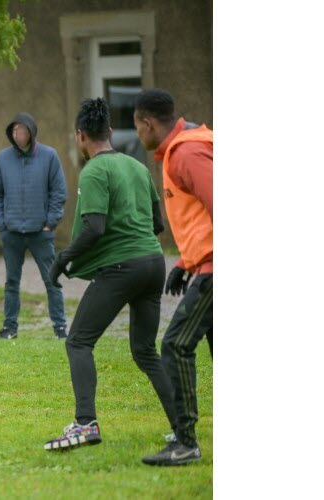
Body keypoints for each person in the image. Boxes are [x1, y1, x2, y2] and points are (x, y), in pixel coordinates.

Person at [43, 98, 177, 451]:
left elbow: (94, 228)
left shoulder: (94, 171)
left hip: (123, 267)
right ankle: (182, 427)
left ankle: (85, 424)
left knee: (78, 342)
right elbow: (158, 223)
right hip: (154, 262)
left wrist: (63, 259)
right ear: (111, 132)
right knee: (146, 351)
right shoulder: (136, 167)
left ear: (80, 136)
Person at [134, 88, 213, 466]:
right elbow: (201, 215)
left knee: (176, 345)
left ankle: (185, 442)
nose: (138, 135)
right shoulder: (188, 145)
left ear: (147, 123)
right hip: (205, 265)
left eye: (137, 126)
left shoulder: (186, 152)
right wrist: (186, 261)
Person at [0, 112, 68, 339]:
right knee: (11, 282)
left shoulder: (49, 156)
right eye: (14, 131)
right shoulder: (2, 159)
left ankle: (60, 327)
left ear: (31, 133)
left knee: (51, 280)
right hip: (11, 232)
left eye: (22, 131)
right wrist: (1, 224)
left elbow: (59, 192)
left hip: (41, 232)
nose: (18, 135)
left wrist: (50, 222)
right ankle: (10, 327)